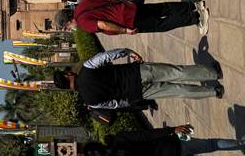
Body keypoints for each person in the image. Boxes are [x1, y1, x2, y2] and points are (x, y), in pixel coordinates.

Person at [53, 48, 224, 111]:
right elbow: (106, 56)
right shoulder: (87, 68)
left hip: (136, 93)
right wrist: (127, 52)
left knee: (177, 91)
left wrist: (131, 100)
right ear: (68, 75)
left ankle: (213, 91)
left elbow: (115, 104)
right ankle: (213, 74)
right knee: (176, 72)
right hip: (136, 73)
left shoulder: (90, 102)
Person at [81, 125, 245, 156]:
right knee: (211, 143)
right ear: (98, 144)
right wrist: (172, 130)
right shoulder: (120, 138)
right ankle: (241, 143)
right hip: (173, 144)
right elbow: (148, 134)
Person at [54, 0, 210, 35]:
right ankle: (192, 5)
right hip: (127, 7)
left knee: (161, 24)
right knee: (161, 8)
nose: (70, 29)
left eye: (67, 27)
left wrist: (124, 30)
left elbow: (102, 24)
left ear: (68, 21)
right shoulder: (82, 5)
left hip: (128, 22)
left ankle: (195, 17)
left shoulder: (83, 24)